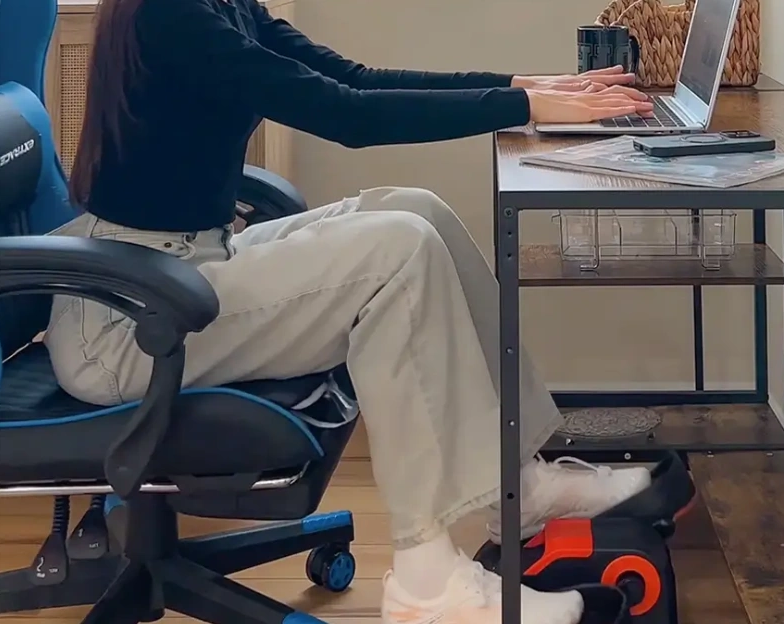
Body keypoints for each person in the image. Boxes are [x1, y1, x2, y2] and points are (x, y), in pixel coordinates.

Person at [44, 1, 667, 623]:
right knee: (397, 252)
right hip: (127, 314)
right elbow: (346, 114)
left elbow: (353, 79)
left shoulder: (223, 4)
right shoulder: (169, 14)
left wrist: (519, 86)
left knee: (417, 211)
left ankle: (518, 488)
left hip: (186, 264)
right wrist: (524, 109)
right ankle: (428, 583)